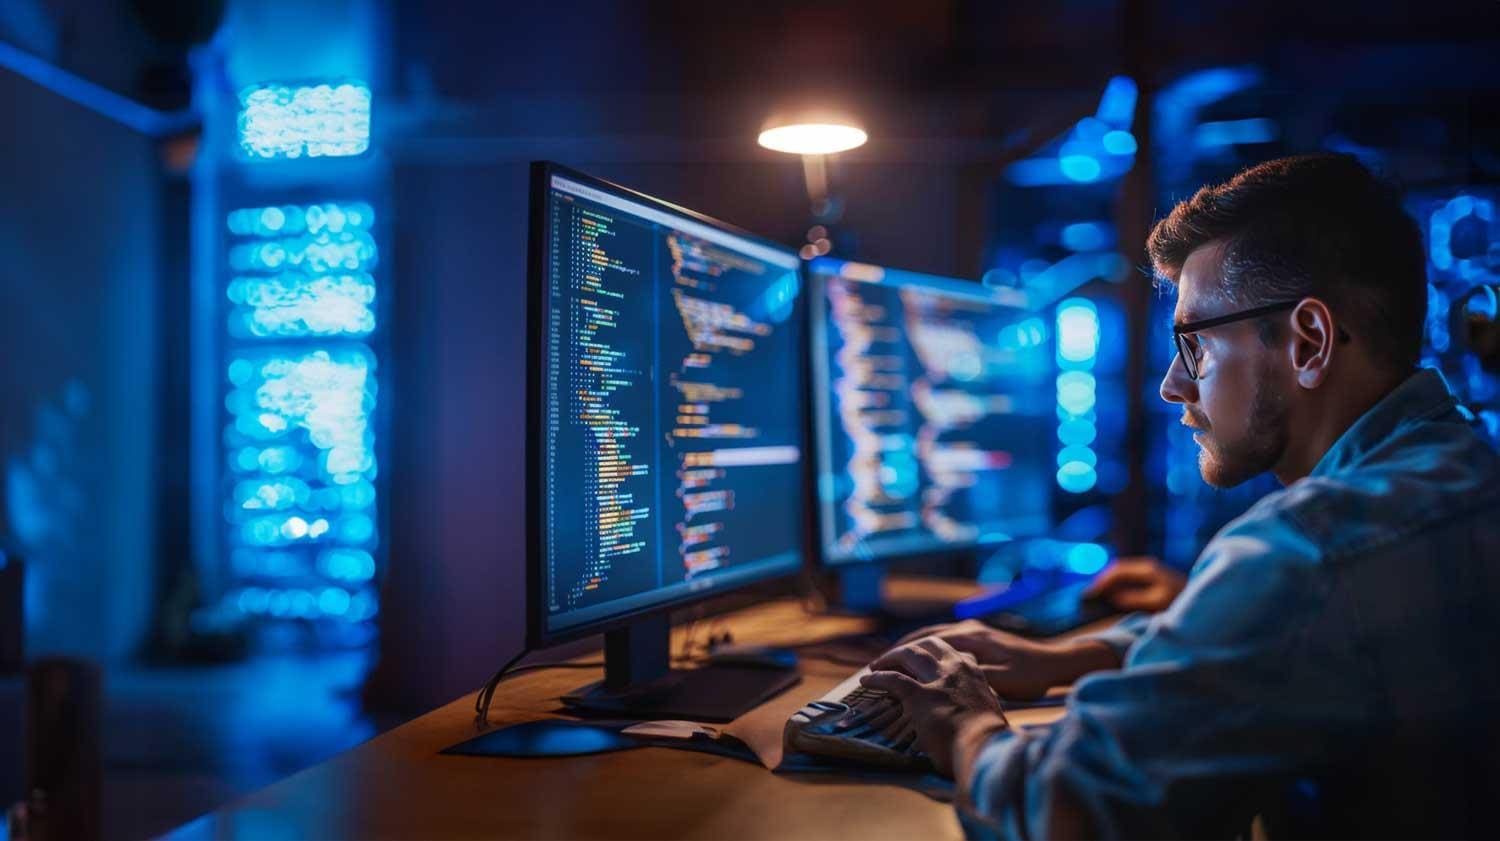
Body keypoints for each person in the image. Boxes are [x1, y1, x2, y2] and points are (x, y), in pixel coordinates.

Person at [862, 154, 1500, 838]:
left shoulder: (1306, 551)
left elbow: (1061, 813)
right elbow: (1295, 632)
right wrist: (1076, 654)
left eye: (1193, 343)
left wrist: (964, 720)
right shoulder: (1462, 465)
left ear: (1309, 342)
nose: (1172, 384)